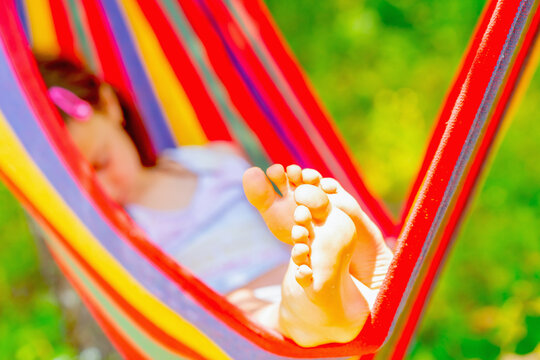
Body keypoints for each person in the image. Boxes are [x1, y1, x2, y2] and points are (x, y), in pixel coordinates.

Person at [37, 56, 394, 347]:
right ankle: (327, 301)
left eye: (101, 162)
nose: (105, 187)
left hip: (289, 270)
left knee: (300, 274)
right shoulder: (113, 231)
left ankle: (343, 281)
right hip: (234, 327)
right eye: (83, 184)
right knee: (268, 316)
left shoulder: (214, 161)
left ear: (111, 107)